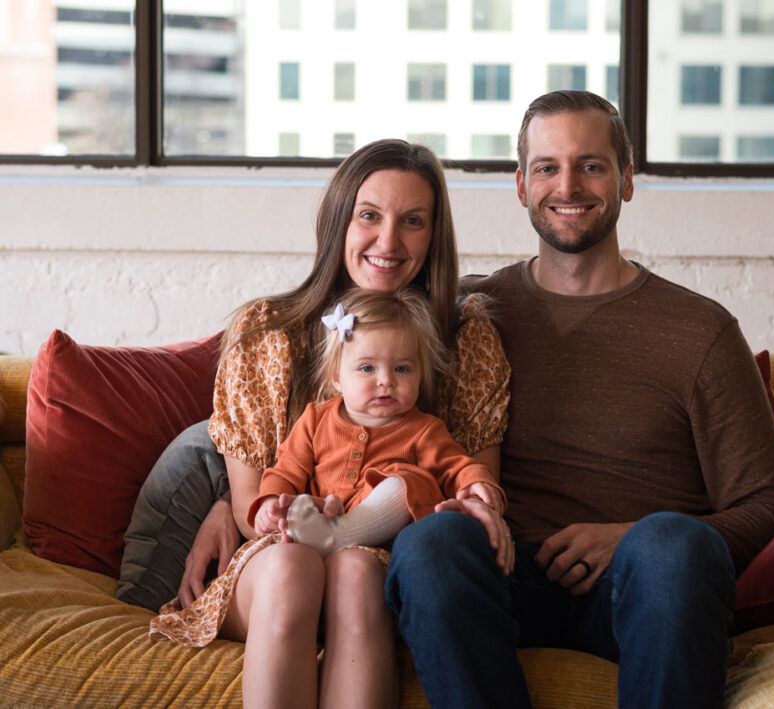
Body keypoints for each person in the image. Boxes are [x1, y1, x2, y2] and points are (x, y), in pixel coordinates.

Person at [383, 90, 774, 708]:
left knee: (671, 547)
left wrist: (629, 539)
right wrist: (229, 500)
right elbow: (324, 383)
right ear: (521, 185)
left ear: (627, 180)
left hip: (643, 593)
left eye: (592, 165)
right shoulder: (463, 314)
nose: (568, 185)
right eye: (547, 167)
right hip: (500, 581)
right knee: (429, 544)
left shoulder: (700, 331)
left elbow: (770, 506)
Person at [121, 138, 512, 709]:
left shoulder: (465, 339)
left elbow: (469, 499)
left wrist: (474, 495)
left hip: (385, 566)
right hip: (280, 553)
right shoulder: (267, 335)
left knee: (355, 574)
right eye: (369, 216)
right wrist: (262, 511)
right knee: (291, 567)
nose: (388, 241)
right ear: (338, 223)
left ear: (434, 237)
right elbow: (253, 502)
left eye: (413, 221)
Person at [150, 288, 509, 708]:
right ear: (337, 376)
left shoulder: (424, 430)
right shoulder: (315, 420)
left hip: (369, 555)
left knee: (404, 482)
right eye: (367, 367)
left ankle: (343, 534)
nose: (386, 381)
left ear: (421, 376)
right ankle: (325, 533)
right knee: (292, 552)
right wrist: (269, 508)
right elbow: (282, 475)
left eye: (402, 368)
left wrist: (479, 484)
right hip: (301, 538)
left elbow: (458, 466)